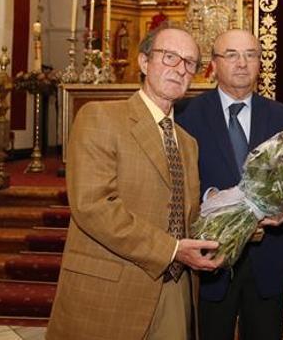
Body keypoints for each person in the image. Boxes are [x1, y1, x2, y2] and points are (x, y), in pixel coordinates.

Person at [47, 27, 223, 340]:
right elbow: (93, 206)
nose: (180, 68)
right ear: (144, 62)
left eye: (189, 63)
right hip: (111, 290)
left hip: (175, 289)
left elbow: (190, 217)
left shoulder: (187, 142)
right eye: (170, 57)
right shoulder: (100, 117)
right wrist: (171, 250)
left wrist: (252, 218)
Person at [177, 29, 283, 340]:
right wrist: (212, 199)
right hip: (210, 263)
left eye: (251, 55)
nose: (242, 63)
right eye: (231, 55)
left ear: (260, 64)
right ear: (214, 65)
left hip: (267, 261)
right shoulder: (187, 116)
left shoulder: (282, 116)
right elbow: (175, 181)